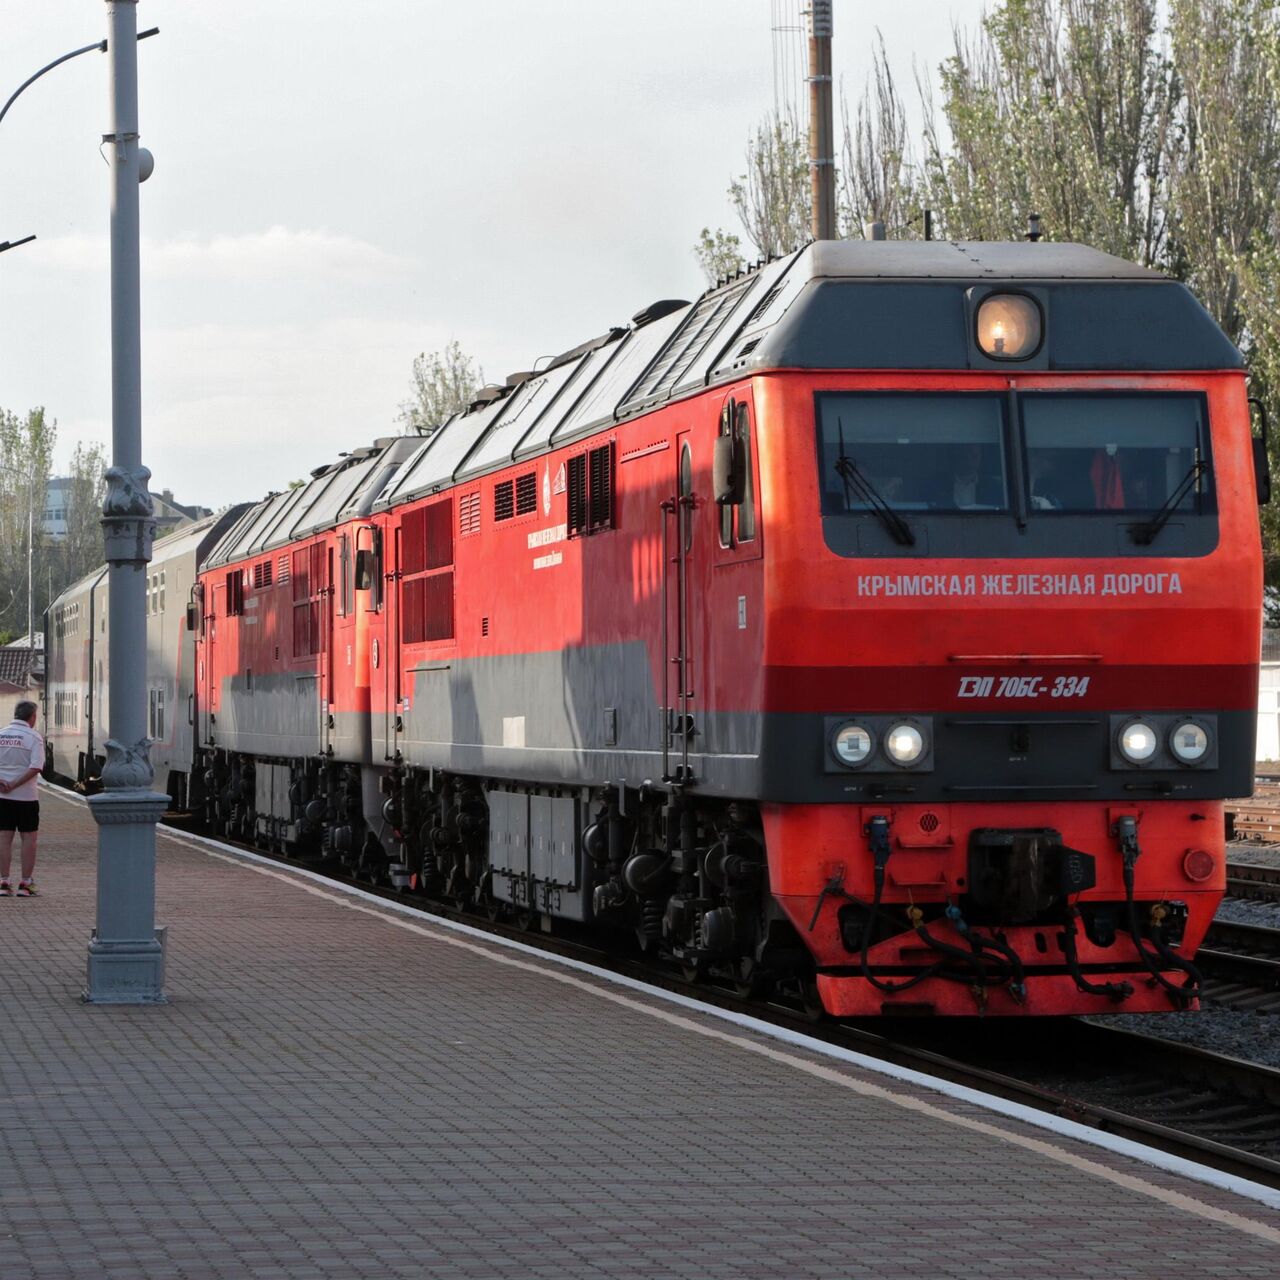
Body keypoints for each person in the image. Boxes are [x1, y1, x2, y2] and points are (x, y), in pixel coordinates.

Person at [0, 699, 44, 897]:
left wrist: (4, 783)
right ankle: (25, 884)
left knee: (3, 839)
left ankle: (4, 882)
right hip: (26, 798)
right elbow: (36, 767)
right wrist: (15, 784)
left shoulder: (1, 735)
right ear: (32, 717)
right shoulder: (34, 737)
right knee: (29, 839)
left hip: (2, 797)